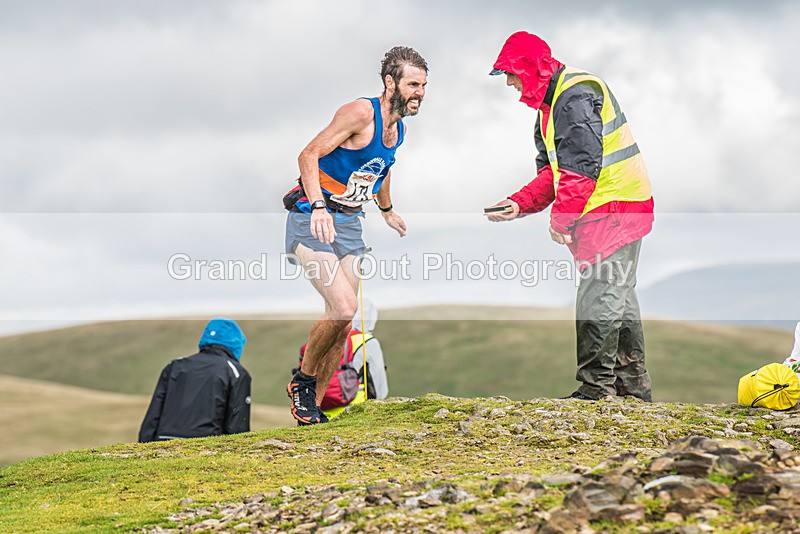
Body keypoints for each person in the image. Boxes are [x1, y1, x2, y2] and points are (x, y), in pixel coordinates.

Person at [485, 31, 654, 402]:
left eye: (511, 73)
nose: (510, 83)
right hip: (613, 204)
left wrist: (560, 220)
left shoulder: (573, 97)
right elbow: (554, 172)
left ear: (530, 68)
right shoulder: (551, 106)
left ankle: (597, 388)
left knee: (599, 295)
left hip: (613, 206)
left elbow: (580, 169)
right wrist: (519, 203)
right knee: (617, 296)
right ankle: (631, 389)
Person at [282, 46, 427, 425]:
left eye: (423, 86)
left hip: (349, 223)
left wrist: (387, 209)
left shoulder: (399, 130)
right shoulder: (361, 113)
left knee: (345, 323)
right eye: (413, 84)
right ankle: (302, 383)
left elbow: (382, 167)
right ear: (390, 82)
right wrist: (317, 206)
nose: (420, 93)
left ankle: (311, 411)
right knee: (343, 307)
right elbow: (308, 155)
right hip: (312, 217)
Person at [138, 318, 251, 442]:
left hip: (164, 442)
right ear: (237, 343)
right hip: (207, 445)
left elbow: (153, 416)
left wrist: (143, 448)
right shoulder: (236, 372)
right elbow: (238, 424)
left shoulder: (175, 366)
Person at [294, 299, 389, 420]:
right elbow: (379, 384)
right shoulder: (367, 341)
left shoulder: (323, 338)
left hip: (315, 411)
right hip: (353, 410)